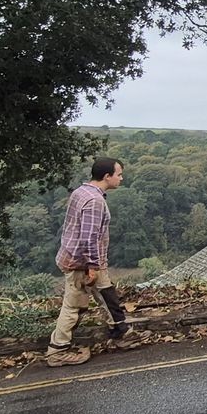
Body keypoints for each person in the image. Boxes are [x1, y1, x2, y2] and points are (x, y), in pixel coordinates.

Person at [45, 157, 138, 367]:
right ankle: (57, 351)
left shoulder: (82, 191)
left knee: (106, 293)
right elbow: (89, 237)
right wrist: (93, 266)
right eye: (119, 174)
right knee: (74, 306)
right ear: (107, 176)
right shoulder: (95, 202)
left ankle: (120, 333)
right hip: (82, 262)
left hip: (83, 258)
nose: (121, 178)